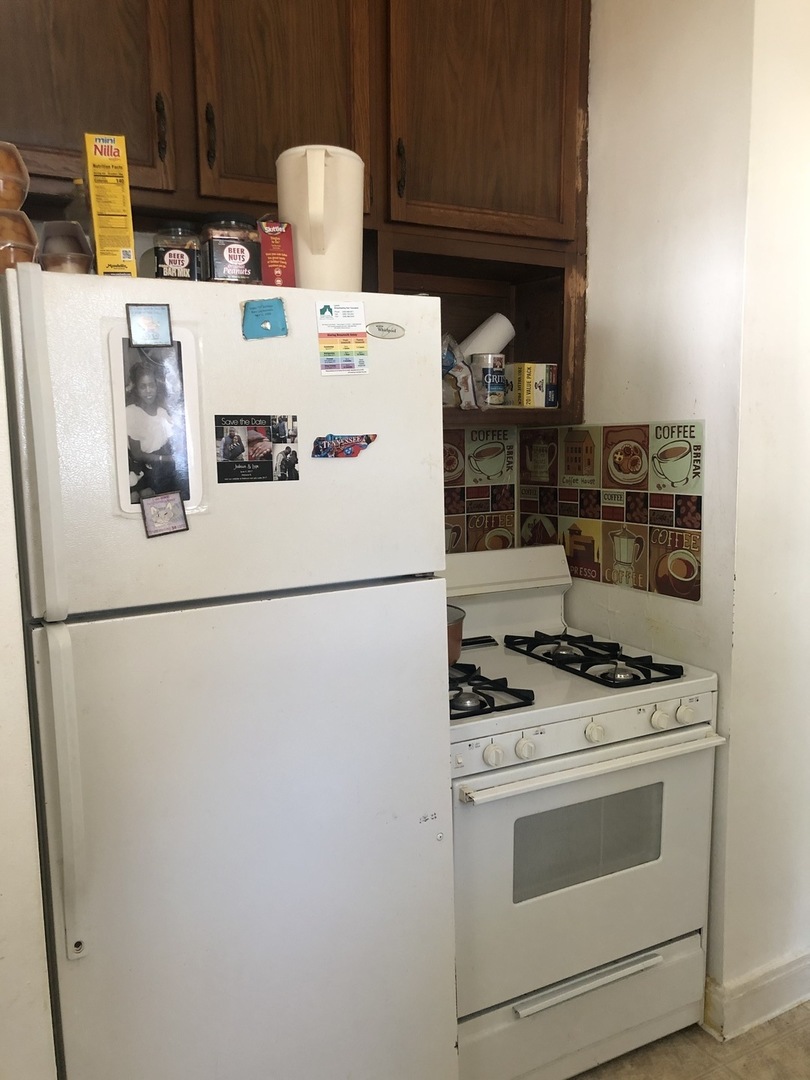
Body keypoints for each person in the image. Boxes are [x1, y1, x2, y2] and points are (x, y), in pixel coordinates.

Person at [126, 361, 186, 501]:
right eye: (143, 386)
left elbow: (174, 439)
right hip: (147, 470)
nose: (148, 390)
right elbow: (137, 454)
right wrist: (165, 459)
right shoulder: (131, 413)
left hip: (165, 467)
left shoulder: (162, 412)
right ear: (136, 389)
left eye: (151, 385)